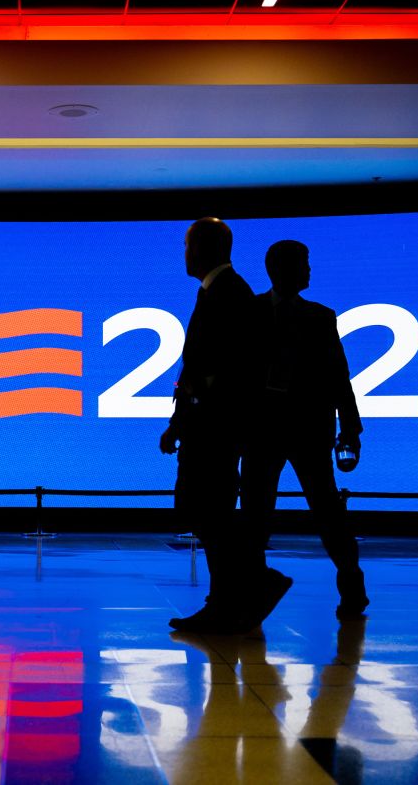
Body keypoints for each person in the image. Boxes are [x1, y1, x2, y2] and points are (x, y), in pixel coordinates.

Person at [246, 239, 369, 620]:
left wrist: (350, 426)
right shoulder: (255, 313)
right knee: (256, 511)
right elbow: (338, 378)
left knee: (325, 510)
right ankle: (252, 587)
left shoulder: (318, 316)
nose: (310, 271)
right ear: (283, 269)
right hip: (270, 430)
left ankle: (351, 582)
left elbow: (339, 377)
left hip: (299, 431)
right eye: (305, 264)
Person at [160, 217, 265, 634]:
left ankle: (228, 600)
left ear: (202, 248)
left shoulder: (228, 294)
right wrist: (179, 420)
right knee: (210, 514)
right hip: (208, 424)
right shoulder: (218, 292)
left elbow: (222, 368)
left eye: (188, 245)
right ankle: (229, 598)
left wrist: (191, 408)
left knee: (213, 514)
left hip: (216, 427)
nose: (184, 254)